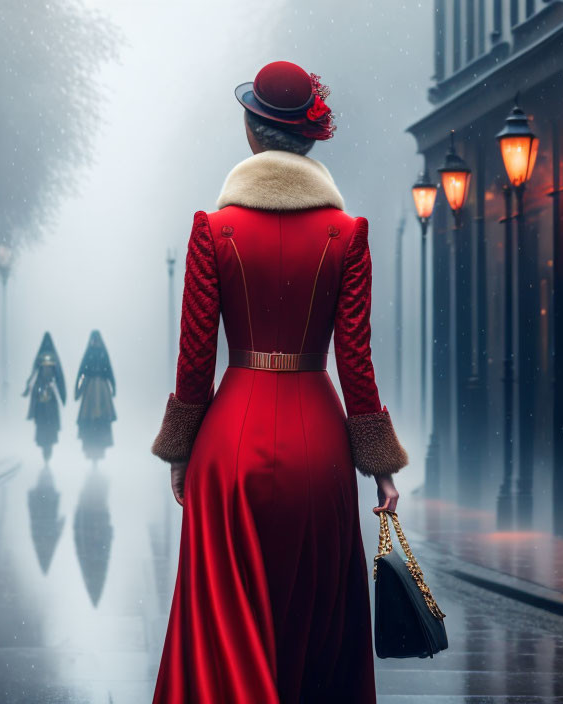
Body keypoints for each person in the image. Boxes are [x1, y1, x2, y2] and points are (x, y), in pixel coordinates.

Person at [151, 61, 407, 703]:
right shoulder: (346, 235)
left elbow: (195, 358)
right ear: (310, 138)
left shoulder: (214, 231)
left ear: (252, 133)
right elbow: (356, 361)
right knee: (312, 624)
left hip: (229, 446)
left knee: (225, 625)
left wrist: (181, 450)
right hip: (318, 448)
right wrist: (379, 465)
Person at [23, 332, 66, 462]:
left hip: (43, 390)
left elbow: (35, 374)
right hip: (46, 391)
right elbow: (59, 377)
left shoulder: (41, 356)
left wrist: (28, 388)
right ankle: (47, 446)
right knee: (46, 419)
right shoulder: (53, 357)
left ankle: (45, 445)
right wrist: (62, 395)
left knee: (44, 419)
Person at [74, 330, 117, 460]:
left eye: (96, 340)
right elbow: (81, 372)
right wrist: (77, 389)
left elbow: (109, 370)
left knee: (99, 418)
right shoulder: (91, 353)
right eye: (94, 340)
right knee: (91, 418)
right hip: (91, 389)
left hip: (100, 390)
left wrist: (113, 387)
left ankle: (98, 446)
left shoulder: (100, 353)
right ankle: (91, 445)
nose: (95, 342)